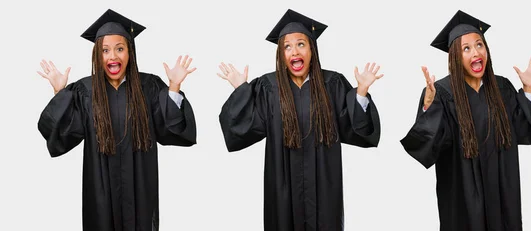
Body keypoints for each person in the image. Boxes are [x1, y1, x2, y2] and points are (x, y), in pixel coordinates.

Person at [218, 9, 382, 231]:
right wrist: (241, 91)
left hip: (324, 186)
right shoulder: (269, 87)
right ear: (281, 54)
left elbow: (354, 128)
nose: (294, 50)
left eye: (301, 44)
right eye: (287, 46)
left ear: (312, 49)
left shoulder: (332, 84)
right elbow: (243, 128)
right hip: (282, 187)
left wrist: (361, 92)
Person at [37, 9, 197, 231]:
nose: (112, 56)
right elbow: (64, 134)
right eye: (105, 50)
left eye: (120, 49)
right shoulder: (86, 90)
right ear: (97, 56)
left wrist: (174, 88)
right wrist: (59, 92)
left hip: (140, 185)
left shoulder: (149, 87)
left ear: (130, 52)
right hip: (100, 190)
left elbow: (170, 129)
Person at [400, 10, 531, 231]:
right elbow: (428, 146)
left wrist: (527, 90)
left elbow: (529, 131)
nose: (475, 52)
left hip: (502, 194)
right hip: (462, 197)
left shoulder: (502, 88)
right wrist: (428, 107)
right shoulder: (441, 92)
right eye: (466, 48)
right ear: (455, 57)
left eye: (479, 45)